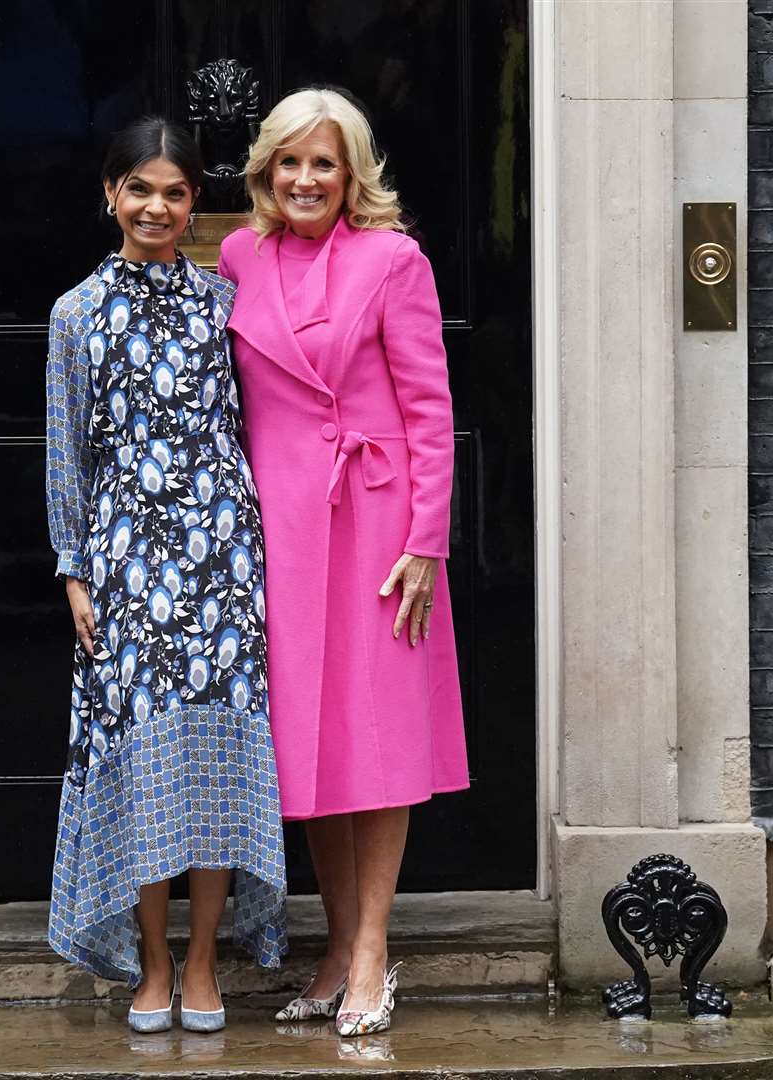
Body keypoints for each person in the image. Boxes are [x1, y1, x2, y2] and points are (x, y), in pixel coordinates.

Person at [218, 87, 467, 1038]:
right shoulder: (239, 255)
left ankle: (370, 954)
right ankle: (330, 946)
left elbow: (429, 408)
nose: (305, 179)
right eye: (289, 162)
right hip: (279, 528)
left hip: (376, 530)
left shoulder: (395, 259)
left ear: (352, 171)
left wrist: (425, 541)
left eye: (323, 162)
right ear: (265, 172)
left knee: (379, 741)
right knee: (309, 747)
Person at [44, 117, 287, 1035]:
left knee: (219, 759)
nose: (156, 206)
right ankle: (151, 961)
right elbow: (65, 453)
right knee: (148, 767)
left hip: (224, 555)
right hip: (125, 560)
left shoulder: (225, 301)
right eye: (138, 187)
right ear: (109, 193)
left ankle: (202, 959)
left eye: (174, 191)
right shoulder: (76, 312)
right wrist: (74, 571)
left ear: (194, 206)